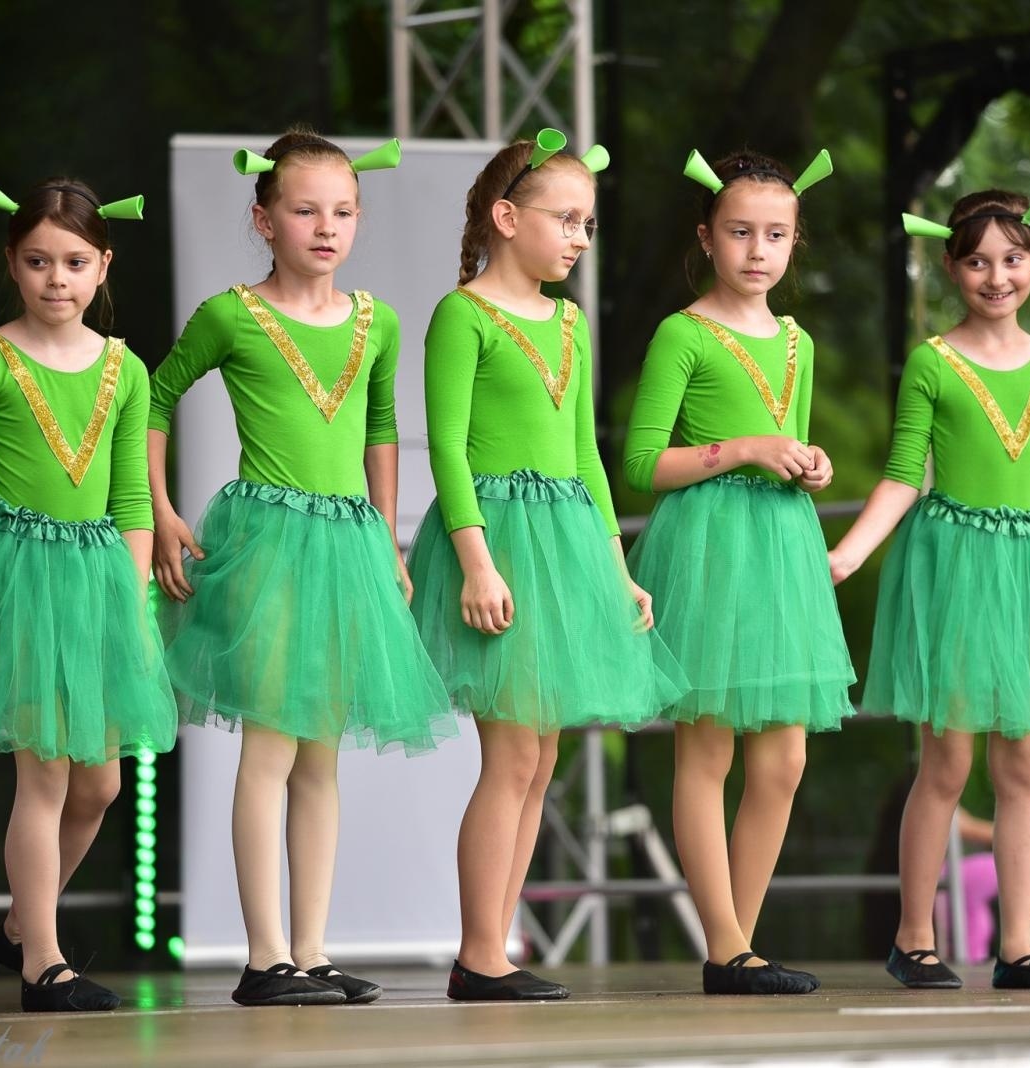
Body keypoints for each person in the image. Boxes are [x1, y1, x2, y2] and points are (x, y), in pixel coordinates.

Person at [148, 130, 454, 1007]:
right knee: (272, 747)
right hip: (269, 542)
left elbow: (383, 427)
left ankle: (312, 952)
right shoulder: (231, 315)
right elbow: (154, 400)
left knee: (321, 757)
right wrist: (165, 513)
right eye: (305, 209)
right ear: (264, 217)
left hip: (350, 544)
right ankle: (263, 957)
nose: (326, 227)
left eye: (343, 211)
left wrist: (389, 540)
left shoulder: (377, 321)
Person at [828, 187, 1030, 990]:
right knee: (945, 759)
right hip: (954, 562)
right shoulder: (934, 362)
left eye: (1011, 259)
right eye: (977, 261)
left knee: (1024, 762)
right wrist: (853, 552)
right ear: (951, 265)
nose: (995, 276)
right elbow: (904, 475)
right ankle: (914, 938)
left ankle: (1018, 947)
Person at [408, 129, 687, 1001]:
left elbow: (589, 458)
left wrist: (616, 565)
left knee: (541, 760)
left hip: (566, 543)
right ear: (505, 217)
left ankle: (498, 943)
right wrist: (478, 564)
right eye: (564, 218)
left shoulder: (569, 322)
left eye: (588, 225)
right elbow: (447, 451)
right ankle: (478, 952)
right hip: (498, 544)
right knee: (511, 753)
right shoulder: (463, 315)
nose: (577, 237)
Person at [0, 173, 175, 1012]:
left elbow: (131, 503)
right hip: (13, 580)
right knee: (45, 775)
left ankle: (23, 919)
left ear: (103, 267)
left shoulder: (127, 370)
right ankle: (43, 965)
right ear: (12, 266)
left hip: (96, 585)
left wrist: (126, 608)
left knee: (101, 786)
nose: (58, 279)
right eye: (39, 262)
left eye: (75, 262)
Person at [621, 148, 851, 995]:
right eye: (741, 232)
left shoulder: (801, 340)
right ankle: (726, 947)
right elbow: (644, 462)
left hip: (781, 550)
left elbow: (789, 437)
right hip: (711, 546)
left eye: (777, 234)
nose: (759, 250)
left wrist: (809, 461)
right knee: (708, 749)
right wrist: (748, 449)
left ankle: (737, 945)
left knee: (783, 761)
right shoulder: (683, 333)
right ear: (707, 236)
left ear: (795, 243)